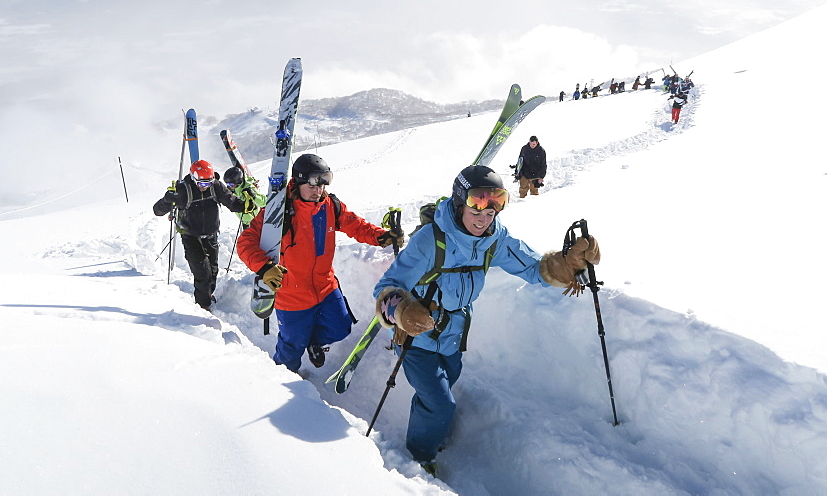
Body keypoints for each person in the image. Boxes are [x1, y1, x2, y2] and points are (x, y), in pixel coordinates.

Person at [372, 165, 600, 475]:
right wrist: (402, 311)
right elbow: (386, 287)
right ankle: (419, 457)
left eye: (493, 208)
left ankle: (430, 425)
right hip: (416, 337)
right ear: (458, 203)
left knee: (440, 391)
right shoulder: (431, 240)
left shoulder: (495, 238)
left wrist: (566, 264)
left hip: (453, 336)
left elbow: (533, 268)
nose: (484, 217)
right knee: (441, 403)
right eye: (476, 206)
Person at [236, 153, 402, 372]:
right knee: (290, 351)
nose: (319, 190)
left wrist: (381, 237)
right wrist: (265, 267)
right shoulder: (279, 211)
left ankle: (314, 342)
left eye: (324, 182)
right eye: (314, 184)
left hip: (325, 287)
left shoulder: (330, 205)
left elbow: (356, 225)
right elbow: (245, 242)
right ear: (298, 181)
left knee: (341, 327)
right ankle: (281, 385)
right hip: (292, 295)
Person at [153, 159, 245, 311]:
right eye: (202, 184)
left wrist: (244, 205)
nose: (205, 187)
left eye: (208, 183)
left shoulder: (215, 186)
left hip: (211, 234)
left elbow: (230, 200)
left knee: (213, 270)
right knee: (202, 271)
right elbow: (157, 210)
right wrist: (167, 199)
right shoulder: (183, 190)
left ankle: (208, 295)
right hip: (191, 235)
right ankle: (203, 306)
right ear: (194, 178)